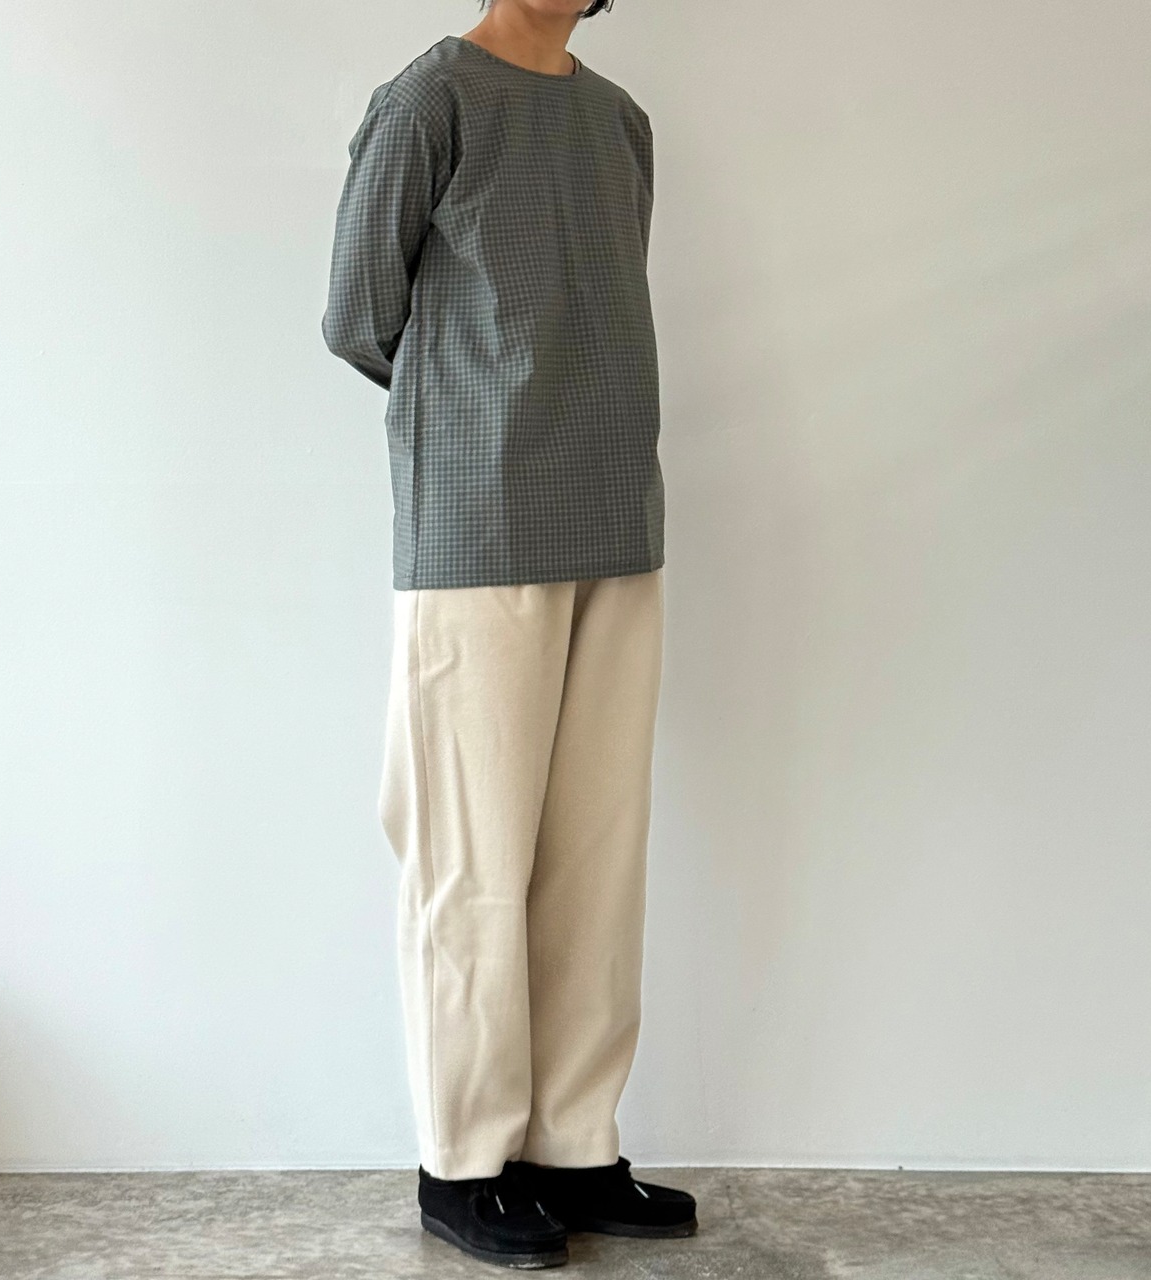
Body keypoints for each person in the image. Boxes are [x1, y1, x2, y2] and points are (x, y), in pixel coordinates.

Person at [321, 0, 696, 1267]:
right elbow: (355, 314)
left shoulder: (618, 123)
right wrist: (478, 408)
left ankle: (571, 1145)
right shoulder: (429, 101)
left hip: (616, 516)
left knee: (596, 853)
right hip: (478, 527)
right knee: (468, 854)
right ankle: (464, 1161)